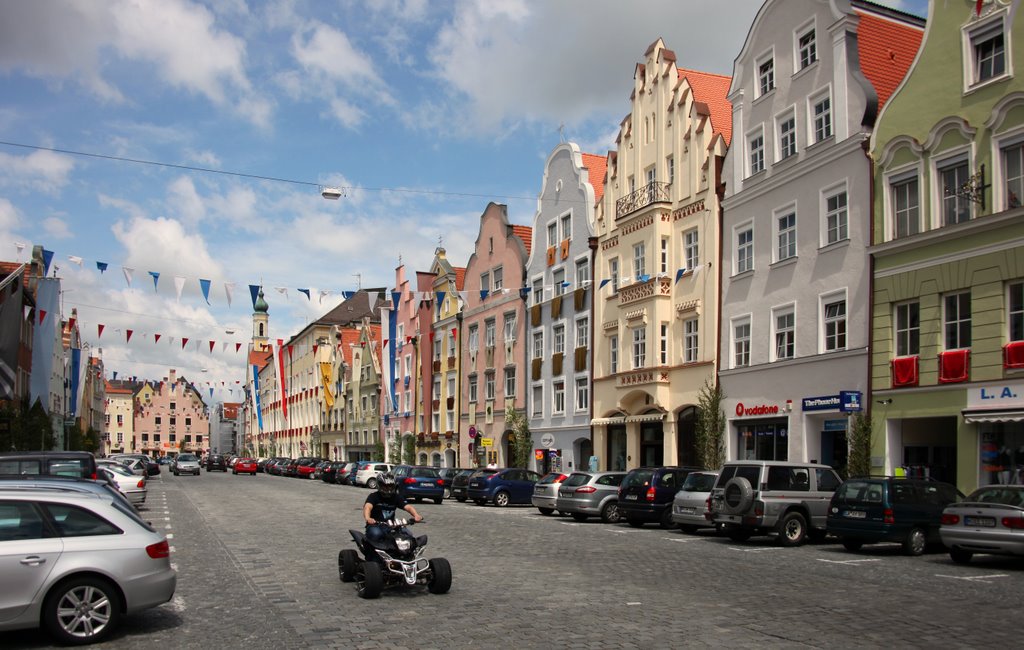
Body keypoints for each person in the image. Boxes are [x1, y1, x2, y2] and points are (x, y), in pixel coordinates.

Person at [363, 472, 422, 544]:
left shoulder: (396, 497)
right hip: (375, 525)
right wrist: (368, 518)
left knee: (407, 534)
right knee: (376, 534)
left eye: (390, 486)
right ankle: (371, 553)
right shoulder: (374, 496)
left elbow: (408, 507)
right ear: (380, 485)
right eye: (385, 486)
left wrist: (416, 515)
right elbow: (367, 507)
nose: (388, 488)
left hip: (391, 525)